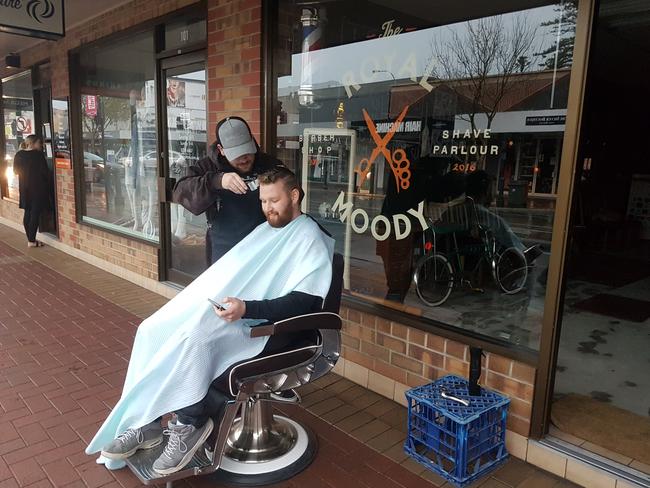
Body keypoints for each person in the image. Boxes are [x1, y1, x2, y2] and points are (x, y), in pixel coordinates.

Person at [86, 167, 334, 476]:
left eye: (274, 200)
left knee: (196, 338)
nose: (267, 208)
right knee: (153, 330)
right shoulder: (267, 230)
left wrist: (246, 307)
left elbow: (305, 302)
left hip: (273, 327)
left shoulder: (309, 236)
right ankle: (145, 423)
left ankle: (191, 423)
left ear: (294, 195)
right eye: (263, 201)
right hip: (241, 314)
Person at [173, 116, 283, 265]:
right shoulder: (208, 166)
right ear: (221, 149)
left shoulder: (268, 164)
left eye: (247, 152)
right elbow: (181, 190)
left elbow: (293, 194)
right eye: (237, 155)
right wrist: (216, 181)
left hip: (263, 245)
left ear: (252, 141)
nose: (244, 159)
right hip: (224, 248)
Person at [453, 170, 542, 263]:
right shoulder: (485, 215)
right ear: (486, 191)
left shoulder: (454, 210)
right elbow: (510, 240)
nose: (494, 194)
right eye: (493, 189)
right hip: (482, 260)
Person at [13, 135, 50, 248]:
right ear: (33, 143)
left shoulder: (19, 154)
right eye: (39, 143)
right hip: (37, 188)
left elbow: (15, 171)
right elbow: (45, 172)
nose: (41, 145)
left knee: (27, 212)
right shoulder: (38, 155)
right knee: (35, 213)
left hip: (24, 188)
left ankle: (30, 239)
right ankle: (31, 240)